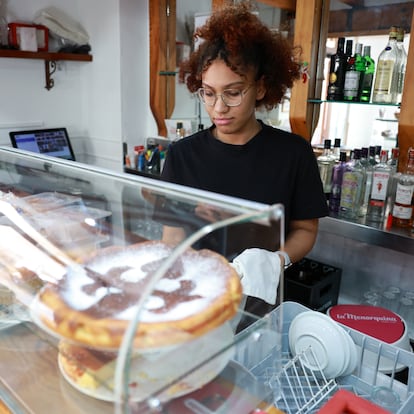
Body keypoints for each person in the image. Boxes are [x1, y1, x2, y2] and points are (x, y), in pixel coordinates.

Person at [158, 2, 328, 316]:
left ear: (261, 87)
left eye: (233, 92)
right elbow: (172, 238)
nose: (218, 107)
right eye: (208, 92)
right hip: (197, 300)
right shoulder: (183, 155)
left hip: (260, 303)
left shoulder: (293, 153)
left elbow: (305, 229)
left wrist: (276, 260)